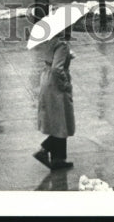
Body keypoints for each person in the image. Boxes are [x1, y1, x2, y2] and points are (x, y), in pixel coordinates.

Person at [33, 26, 75, 170]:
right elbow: (58, 69)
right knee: (61, 122)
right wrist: (65, 84)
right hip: (56, 85)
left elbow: (53, 59)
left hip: (47, 80)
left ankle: (58, 159)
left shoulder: (51, 40)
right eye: (69, 28)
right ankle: (45, 150)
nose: (70, 30)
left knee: (58, 120)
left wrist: (68, 56)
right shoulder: (62, 44)